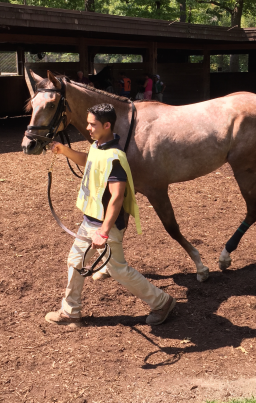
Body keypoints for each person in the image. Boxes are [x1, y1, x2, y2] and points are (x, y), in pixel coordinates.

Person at [45, 103, 176, 327]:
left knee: (118, 270)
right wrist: (65, 151)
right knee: (76, 261)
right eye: (87, 123)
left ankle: (162, 302)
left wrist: (103, 232)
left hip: (106, 225)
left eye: (92, 124)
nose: (88, 127)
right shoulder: (99, 146)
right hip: (90, 220)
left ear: (107, 125)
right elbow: (89, 162)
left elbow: (116, 197)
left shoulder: (115, 158)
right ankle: (70, 312)